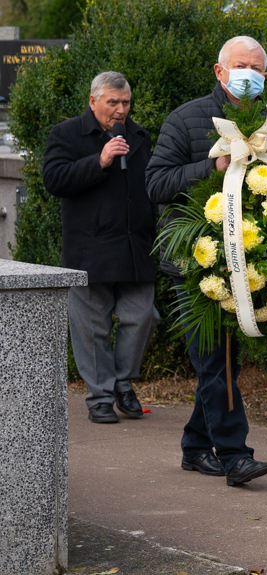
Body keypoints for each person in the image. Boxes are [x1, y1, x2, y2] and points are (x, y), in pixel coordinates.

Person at [146, 36, 267, 487]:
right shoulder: (185, 119)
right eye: (241, 66)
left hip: (247, 261)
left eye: (258, 69)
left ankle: (196, 446)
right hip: (195, 263)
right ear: (219, 72)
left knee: (223, 362)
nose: (250, 75)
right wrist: (211, 168)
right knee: (215, 361)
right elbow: (156, 185)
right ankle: (235, 455)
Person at [43, 71, 158, 424]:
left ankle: (123, 382)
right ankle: (101, 397)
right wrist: (100, 160)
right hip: (90, 250)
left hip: (135, 247)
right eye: (113, 102)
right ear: (93, 102)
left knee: (142, 317)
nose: (121, 109)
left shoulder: (138, 136)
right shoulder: (66, 135)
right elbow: (55, 180)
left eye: (125, 102)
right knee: (91, 329)